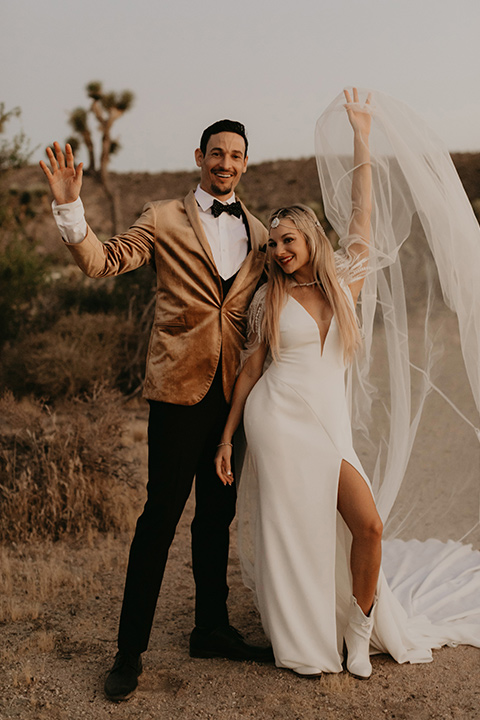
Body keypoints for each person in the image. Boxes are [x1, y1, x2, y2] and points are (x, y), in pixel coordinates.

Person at [215, 88, 480, 678]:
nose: (280, 252)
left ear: (310, 239)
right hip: (277, 418)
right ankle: (305, 635)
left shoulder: (344, 285)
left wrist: (363, 137)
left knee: (367, 524)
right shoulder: (267, 299)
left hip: (328, 421)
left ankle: (359, 634)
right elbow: (252, 368)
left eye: (289, 241)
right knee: (299, 530)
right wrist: (228, 437)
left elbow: (363, 217)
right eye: (273, 244)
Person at [40, 119, 272, 702]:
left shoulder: (263, 233)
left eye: (236, 155)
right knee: (158, 521)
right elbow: (103, 261)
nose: (225, 162)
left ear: (246, 163)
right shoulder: (163, 216)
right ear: (199, 156)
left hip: (234, 398)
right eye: (216, 153)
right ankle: (129, 651)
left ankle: (211, 629)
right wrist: (71, 210)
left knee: (215, 519)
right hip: (177, 392)